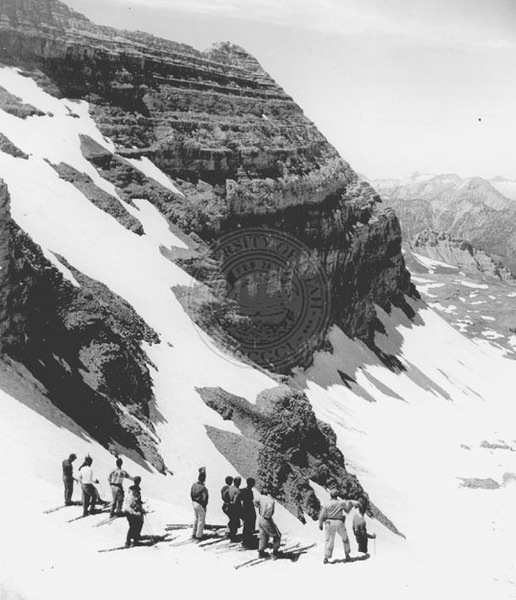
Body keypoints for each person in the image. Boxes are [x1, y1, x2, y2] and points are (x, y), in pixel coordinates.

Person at [318, 489, 360, 564]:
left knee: (329, 540)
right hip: (339, 522)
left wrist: (320, 524)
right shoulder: (340, 502)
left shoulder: (326, 503)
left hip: (329, 523)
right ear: (337, 495)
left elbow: (321, 515)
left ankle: (326, 558)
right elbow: (347, 510)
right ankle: (347, 554)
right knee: (345, 538)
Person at [254, 486, 281, 559]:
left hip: (260, 518)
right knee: (277, 536)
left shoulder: (262, 497)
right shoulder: (271, 501)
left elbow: (254, 501)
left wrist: (259, 508)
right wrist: (268, 515)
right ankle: (275, 552)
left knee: (263, 536)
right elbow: (269, 510)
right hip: (266, 519)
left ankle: (261, 552)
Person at [124, 476, 145, 547]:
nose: (137, 493)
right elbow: (129, 508)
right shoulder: (131, 497)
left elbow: (135, 504)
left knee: (136, 525)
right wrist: (136, 513)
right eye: (136, 492)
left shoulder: (132, 495)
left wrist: (141, 510)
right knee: (133, 527)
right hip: (130, 513)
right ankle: (128, 542)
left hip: (133, 512)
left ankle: (135, 540)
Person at [190, 467, 209, 540]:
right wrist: (204, 505)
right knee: (201, 520)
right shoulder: (203, 488)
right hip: (200, 504)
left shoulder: (194, 485)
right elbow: (205, 498)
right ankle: (199, 535)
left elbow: (191, 494)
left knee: (196, 519)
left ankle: (194, 533)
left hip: (194, 502)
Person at [240, 477, 257, 548]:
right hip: (249, 509)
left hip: (246, 508)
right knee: (248, 525)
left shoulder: (244, 490)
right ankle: (246, 541)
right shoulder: (248, 491)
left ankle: (247, 539)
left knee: (248, 525)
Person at [226, 476, 242, 541]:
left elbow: (225, 494)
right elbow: (235, 501)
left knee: (232, 521)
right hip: (235, 508)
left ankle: (229, 533)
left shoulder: (230, 488)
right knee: (235, 522)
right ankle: (233, 537)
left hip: (229, 506)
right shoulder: (237, 491)